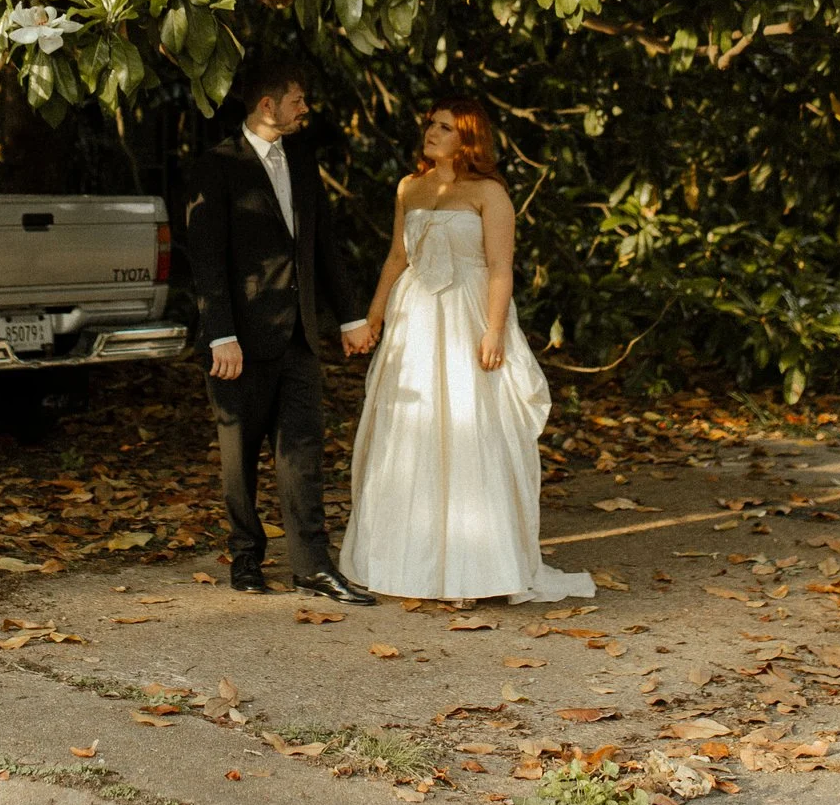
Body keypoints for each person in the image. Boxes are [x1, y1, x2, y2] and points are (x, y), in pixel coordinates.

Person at [339, 96, 594, 604]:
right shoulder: (409, 187)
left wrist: (494, 330)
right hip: (416, 319)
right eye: (430, 124)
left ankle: (473, 566)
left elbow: (501, 267)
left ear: (468, 139)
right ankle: (404, 560)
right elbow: (396, 257)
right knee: (410, 427)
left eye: (445, 127)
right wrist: (373, 316)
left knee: (466, 423)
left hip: (466, 315)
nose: (431, 132)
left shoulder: (488, 193)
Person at [182, 59, 379, 602]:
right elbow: (206, 256)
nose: (304, 109)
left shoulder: (302, 159)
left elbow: (321, 242)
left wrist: (350, 315)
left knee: (303, 451)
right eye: (298, 100)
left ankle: (312, 566)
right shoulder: (215, 165)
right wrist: (219, 332)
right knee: (238, 456)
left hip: (299, 335)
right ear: (268, 105)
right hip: (239, 340)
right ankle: (246, 559)